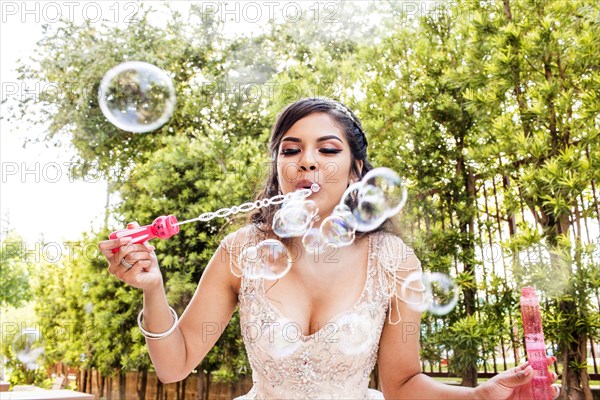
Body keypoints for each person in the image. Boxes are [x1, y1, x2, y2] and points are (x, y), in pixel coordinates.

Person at [99, 98, 559, 399]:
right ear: (278, 165)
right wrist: (153, 289)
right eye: (290, 150)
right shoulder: (240, 251)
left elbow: (402, 383)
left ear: (357, 170)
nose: (308, 162)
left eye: (328, 150)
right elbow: (175, 365)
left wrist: (478, 396)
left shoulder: (393, 260)